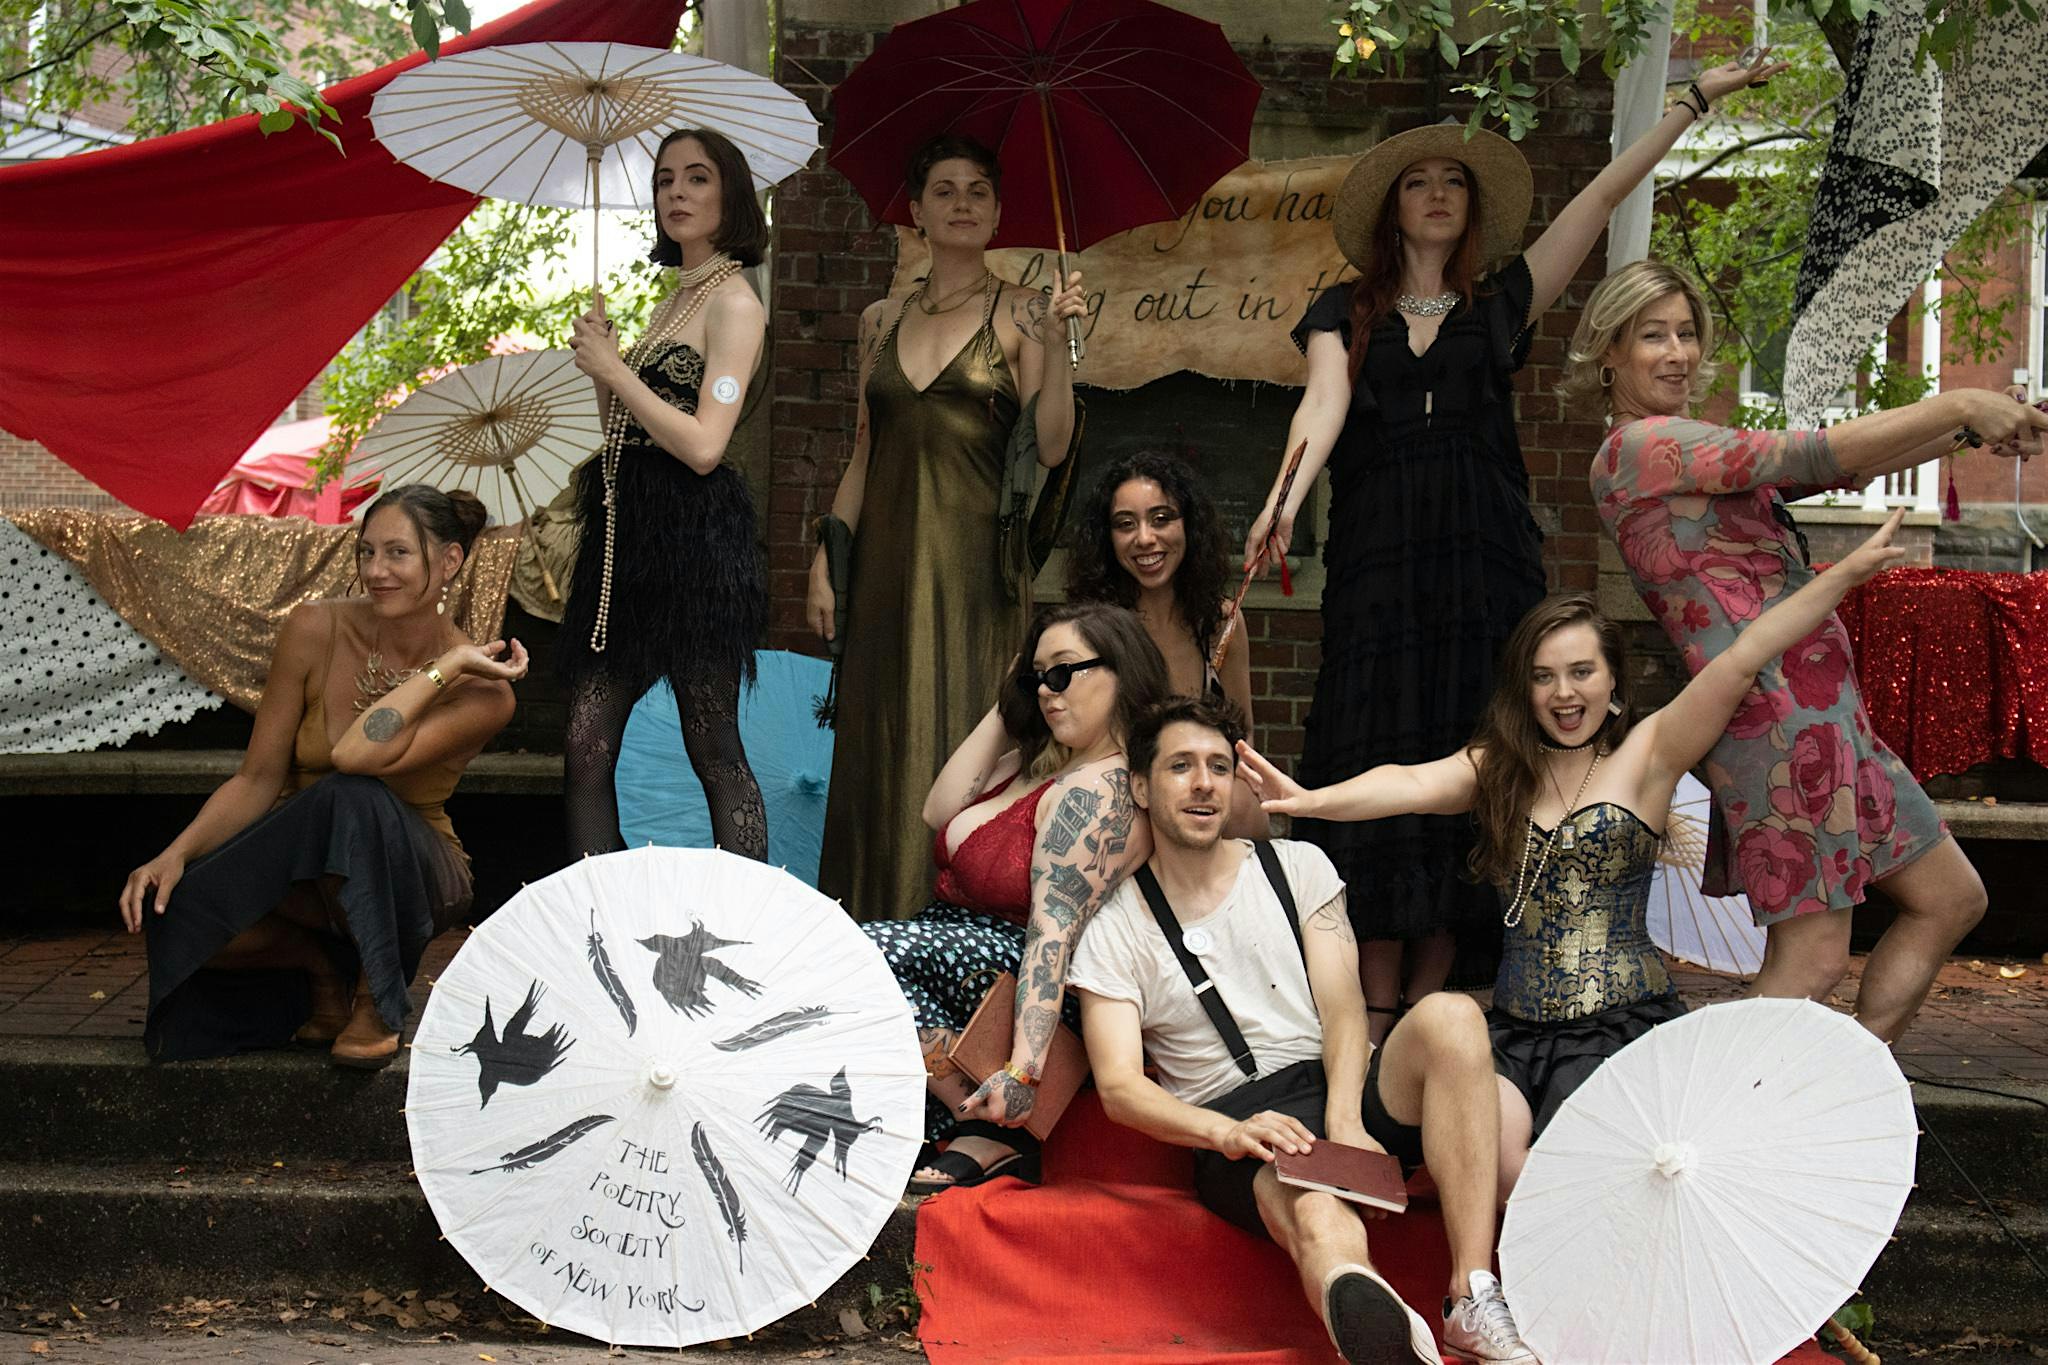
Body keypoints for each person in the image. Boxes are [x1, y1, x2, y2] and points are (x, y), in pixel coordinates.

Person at [1246, 54, 1785, 1041]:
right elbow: (1320, 407)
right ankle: (1372, 1001)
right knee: (1379, 741)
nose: (1436, 194)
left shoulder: (1499, 301)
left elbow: (1601, 196)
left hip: (1481, 563)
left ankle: (1436, 995)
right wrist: (1281, 498)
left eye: (1452, 181)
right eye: (1417, 181)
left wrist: (1692, 102)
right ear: (1392, 208)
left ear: (1470, 206)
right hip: (1378, 562)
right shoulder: (1342, 311)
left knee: (1480, 748)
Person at [1238, 516, 1917, 1192]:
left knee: (1587, 1175)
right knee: (1491, 1165)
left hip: (1619, 1029)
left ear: (1612, 680)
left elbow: (1745, 655)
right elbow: (1409, 783)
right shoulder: (1501, 766)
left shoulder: (1648, 755)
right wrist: (1313, 799)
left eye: (1581, 672)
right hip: (1514, 1031)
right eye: (1545, 677)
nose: (1564, 693)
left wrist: (1843, 576)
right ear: (1525, 689)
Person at [1566, 258, 2048, 1041]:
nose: (1679, 352)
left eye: (1687, 333)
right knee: (1812, 959)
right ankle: (1725, 1110)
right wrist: (1961, 400)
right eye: (1653, 336)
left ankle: (1837, 1090)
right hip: (1776, 724)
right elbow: (1814, 452)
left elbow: (1849, 464)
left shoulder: (1694, 456)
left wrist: (1971, 428)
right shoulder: (1640, 448)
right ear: (1609, 353)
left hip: (1828, 714)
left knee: (1950, 897)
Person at [1070, 697, 1537, 1365]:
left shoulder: (1296, 866)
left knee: (1453, 1015)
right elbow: (1119, 1086)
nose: (1204, 783)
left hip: (1342, 1081)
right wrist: (1224, 1133)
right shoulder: (1116, 924)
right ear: (1141, 787)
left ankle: (1470, 1293)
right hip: (1242, 1121)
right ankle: (1374, 1324)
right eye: (1181, 766)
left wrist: (1345, 1119)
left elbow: (1345, 1007)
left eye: (1218, 766)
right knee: (1317, 1213)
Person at [122, 485, 525, 1067]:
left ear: (450, 561)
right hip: (307, 869)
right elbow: (258, 779)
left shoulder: (485, 689)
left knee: (352, 794)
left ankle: (376, 1000)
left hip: (415, 876)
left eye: (398, 553)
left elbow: (356, 756)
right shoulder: (315, 628)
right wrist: (174, 856)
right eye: (367, 552)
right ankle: (321, 968)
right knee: (172, 906)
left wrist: (446, 665)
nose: (377, 571)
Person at [810, 132, 1090, 921]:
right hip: (884, 572)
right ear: (917, 211)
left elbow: (1053, 446)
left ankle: (953, 935)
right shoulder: (880, 319)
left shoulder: (1027, 311)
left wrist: (1059, 349)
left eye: (977, 191)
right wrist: (827, 557)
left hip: (976, 573)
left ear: (997, 213)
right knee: (880, 745)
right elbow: (864, 452)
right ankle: (868, 930)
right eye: (944, 189)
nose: (962, 203)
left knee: (968, 734)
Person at [863, 602, 1168, 1193]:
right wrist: (1010, 701)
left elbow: (1053, 934)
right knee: (852, 963)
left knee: (862, 950)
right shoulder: (1034, 764)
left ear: (1122, 671)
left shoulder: (1103, 788)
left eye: (1064, 672)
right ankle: (955, 1115)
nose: (1048, 690)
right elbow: (938, 811)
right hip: (955, 954)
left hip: (1028, 980)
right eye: (1037, 677)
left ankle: (995, 1127)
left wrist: (1024, 1072)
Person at [558, 126, 771, 862]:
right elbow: (625, 434)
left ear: (730, 194)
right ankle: (600, 904)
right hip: (628, 543)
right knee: (584, 742)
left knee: (712, 745)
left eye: (697, 178)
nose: (676, 192)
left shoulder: (735, 304)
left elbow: (706, 444)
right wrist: (605, 370)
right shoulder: (672, 300)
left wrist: (617, 371)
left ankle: (744, 912)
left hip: (694, 546)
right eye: (664, 180)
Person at [1066, 451, 1266, 838]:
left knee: (1246, 811)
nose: (1145, 538)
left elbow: (1242, 737)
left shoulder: (1220, 622)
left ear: (1189, 526)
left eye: (1161, 519)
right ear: (1107, 538)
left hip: (1198, 799)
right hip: (1116, 797)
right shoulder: (1091, 630)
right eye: (1125, 524)